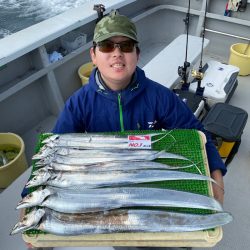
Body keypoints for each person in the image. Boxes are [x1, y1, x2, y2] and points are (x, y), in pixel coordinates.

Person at [52, 10, 226, 204]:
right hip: (102, 181)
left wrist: (215, 171)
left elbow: (196, 133)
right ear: (93, 55)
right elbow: (54, 147)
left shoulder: (159, 96)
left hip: (148, 176)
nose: (117, 53)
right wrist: (30, 194)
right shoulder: (78, 103)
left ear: (137, 54)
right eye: (107, 46)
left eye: (126, 46)